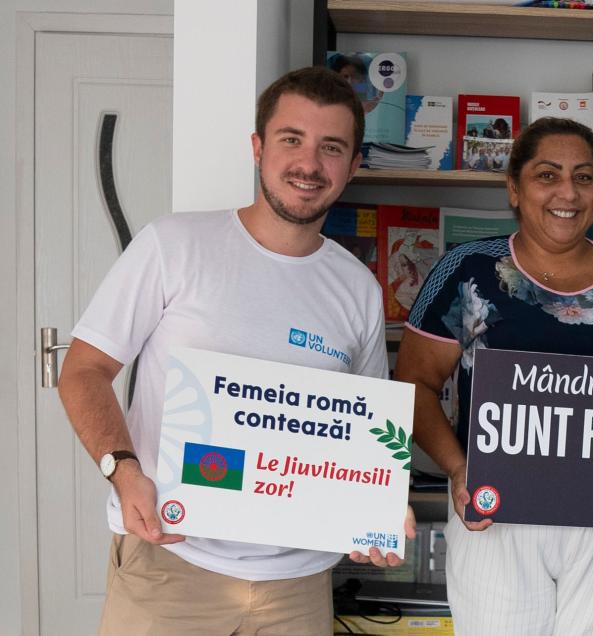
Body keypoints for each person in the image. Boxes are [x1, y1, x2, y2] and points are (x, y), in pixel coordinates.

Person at [57, 66, 415, 635]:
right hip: (171, 562)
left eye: (331, 148)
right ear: (258, 147)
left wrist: (379, 508)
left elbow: (366, 431)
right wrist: (122, 471)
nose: (308, 164)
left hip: (299, 583)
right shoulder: (173, 246)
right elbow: (83, 371)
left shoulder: (358, 288)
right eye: (291, 140)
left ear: (352, 166)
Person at [394, 117, 593, 635]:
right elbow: (413, 387)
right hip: (495, 513)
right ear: (514, 187)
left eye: (584, 177)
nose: (568, 193)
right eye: (547, 175)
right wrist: (457, 469)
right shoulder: (468, 270)